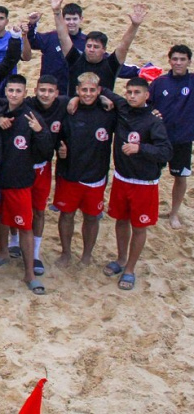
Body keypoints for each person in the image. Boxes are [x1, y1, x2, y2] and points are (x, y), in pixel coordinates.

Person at [0, 75, 53, 295]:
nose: (14, 94)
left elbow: (46, 152)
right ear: (6, 92)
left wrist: (39, 132)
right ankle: (3, 251)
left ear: (25, 93)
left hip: (20, 181)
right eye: (11, 90)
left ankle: (29, 272)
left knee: (25, 226)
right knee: (0, 218)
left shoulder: (31, 117)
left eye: (18, 91)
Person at [104, 77, 172, 291]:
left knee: (139, 226)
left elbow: (166, 151)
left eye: (137, 92)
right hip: (121, 178)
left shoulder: (154, 121)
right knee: (120, 220)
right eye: (129, 92)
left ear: (146, 95)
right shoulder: (122, 107)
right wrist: (76, 99)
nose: (132, 96)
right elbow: (102, 88)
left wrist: (140, 148)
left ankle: (131, 269)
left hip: (144, 183)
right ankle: (121, 259)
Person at [52, 73, 117, 268]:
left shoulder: (108, 111)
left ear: (99, 91)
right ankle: (66, 253)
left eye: (92, 90)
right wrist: (59, 148)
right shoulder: (67, 109)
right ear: (77, 90)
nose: (88, 94)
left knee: (91, 217)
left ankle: (87, 255)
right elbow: (54, 134)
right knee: (66, 214)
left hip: (95, 175)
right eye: (84, 90)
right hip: (69, 173)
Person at [15, 74, 69, 264]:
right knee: (16, 207)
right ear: (35, 91)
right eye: (42, 90)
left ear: (57, 93)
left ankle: (35, 252)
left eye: (50, 91)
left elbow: (86, 98)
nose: (45, 94)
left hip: (43, 167)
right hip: (20, 165)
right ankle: (14, 243)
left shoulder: (63, 105)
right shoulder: (26, 103)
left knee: (38, 210)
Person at [51, 0, 148, 94]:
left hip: (103, 104)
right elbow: (63, 37)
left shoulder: (111, 65)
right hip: (77, 104)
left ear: (104, 50)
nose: (91, 49)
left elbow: (124, 46)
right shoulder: (76, 60)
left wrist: (134, 25)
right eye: (89, 46)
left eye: (96, 47)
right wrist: (57, 13)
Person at [150, 44, 194, 228]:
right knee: (151, 176)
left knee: (180, 177)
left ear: (189, 62)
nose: (178, 62)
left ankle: (174, 213)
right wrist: (152, 112)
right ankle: (149, 209)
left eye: (182, 59)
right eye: (175, 59)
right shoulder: (159, 83)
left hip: (183, 139)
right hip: (159, 138)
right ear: (169, 61)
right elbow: (147, 105)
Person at [26, 1, 86, 94]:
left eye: (75, 19)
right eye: (68, 19)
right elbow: (31, 41)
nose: (71, 22)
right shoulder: (51, 37)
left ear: (81, 19)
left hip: (72, 92)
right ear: (62, 19)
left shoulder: (86, 42)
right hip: (49, 92)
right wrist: (32, 24)